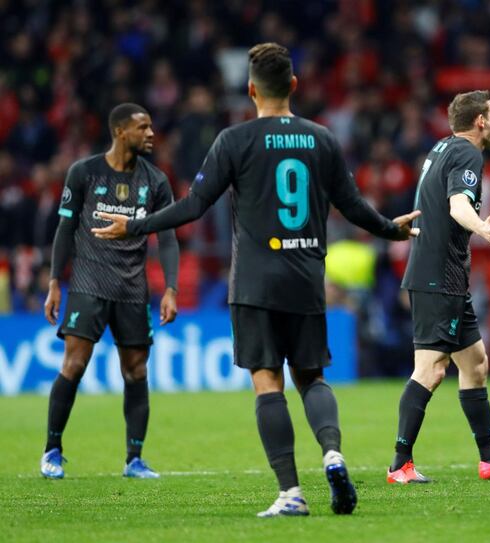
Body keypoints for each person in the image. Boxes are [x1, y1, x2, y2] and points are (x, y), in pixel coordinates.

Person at [92, 43, 419, 517]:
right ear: (293, 85)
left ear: (250, 90)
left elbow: (193, 206)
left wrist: (135, 226)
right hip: (307, 276)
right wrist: (393, 229)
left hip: (255, 283)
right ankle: (332, 453)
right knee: (312, 378)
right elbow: (353, 206)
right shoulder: (322, 138)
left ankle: (291, 492)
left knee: (268, 382)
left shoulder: (234, 140)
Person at [388, 90, 490, 484]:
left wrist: (471, 224)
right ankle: (399, 464)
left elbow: (448, 207)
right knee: (431, 369)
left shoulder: (443, 147)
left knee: (475, 365)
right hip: (438, 275)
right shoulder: (468, 154)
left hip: (444, 273)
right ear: (479, 122)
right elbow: (457, 206)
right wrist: (482, 226)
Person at [41, 103, 179, 480]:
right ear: (120, 131)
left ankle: (134, 459)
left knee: (136, 371)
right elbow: (65, 230)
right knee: (74, 364)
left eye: (151, 127)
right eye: (143, 127)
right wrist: (55, 282)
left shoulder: (156, 181)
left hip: (133, 288)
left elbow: (167, 238)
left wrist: (170, 288)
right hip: (88, 283)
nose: (151, 133)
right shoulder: (84, 172)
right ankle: (52, 451)